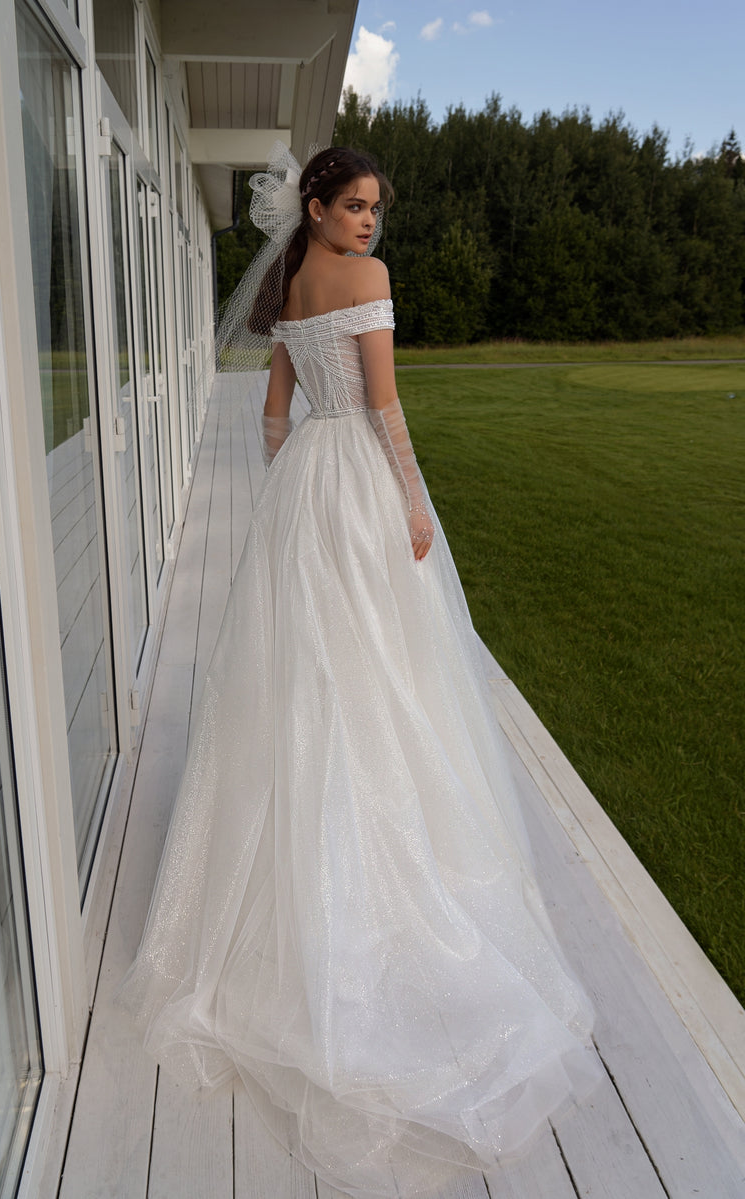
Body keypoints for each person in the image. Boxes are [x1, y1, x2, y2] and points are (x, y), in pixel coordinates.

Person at [119, 144, 602, 1198]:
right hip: (357, 489)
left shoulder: (292, 278)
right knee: (384, 672)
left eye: (376, 208)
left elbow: (271, 412)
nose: (370, 223)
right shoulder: (367, 284)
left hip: (302, 492)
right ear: (317, 204)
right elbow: (385, 407)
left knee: (307, 675)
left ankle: (299, 843)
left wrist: (287, 480)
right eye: (354, 204)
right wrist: (413, 502)